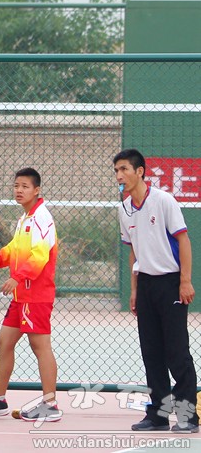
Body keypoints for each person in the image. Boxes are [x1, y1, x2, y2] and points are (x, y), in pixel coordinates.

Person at [0, 168, 61, 422]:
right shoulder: (24, 219)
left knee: (40, 346)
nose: (19, 190)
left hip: (36, 295)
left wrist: (17, 277)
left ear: (37, 190)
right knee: (4, 341)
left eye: (25, 186)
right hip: (21, 296)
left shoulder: (42, 218)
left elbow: (39, 256)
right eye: (16, 185)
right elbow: (12, 250)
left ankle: (50, 404)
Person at [114, 148, 199, 434]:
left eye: (124, 169)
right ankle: (159, 415)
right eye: (116, 170)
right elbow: (133, 252)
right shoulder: (124, 208)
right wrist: (135, 289)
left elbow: (183, 241)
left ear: (139, 172)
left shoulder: (164, 201)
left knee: (177, 351)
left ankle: (188, 416)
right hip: (147, 285)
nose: (119, 175)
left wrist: (185, 281)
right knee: (151, 352)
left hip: (171, 282)